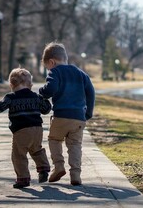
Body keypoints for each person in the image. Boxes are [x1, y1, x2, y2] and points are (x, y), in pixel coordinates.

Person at [0, 67, 51, 189]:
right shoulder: (36, 96)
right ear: (30, 84)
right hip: (37, 129)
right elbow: (46, 109)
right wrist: (46, 100)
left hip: (21, 130)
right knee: (36, 149)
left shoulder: (11, 97)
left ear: (11, 84)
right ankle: (43, 169)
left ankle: (23, 179)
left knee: (19, 155)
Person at [39, 42, 95, 186]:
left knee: (54, 140)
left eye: (47, 67)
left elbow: (50, 89)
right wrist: (88, 113)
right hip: (78, 118)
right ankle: (75, 174)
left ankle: (58, 166)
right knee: (75, 145)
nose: (48, 70)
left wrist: (42, 92)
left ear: (52, 62)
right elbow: (91, 92)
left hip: (61, 116)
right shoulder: (81, 73)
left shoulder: (55, 72)